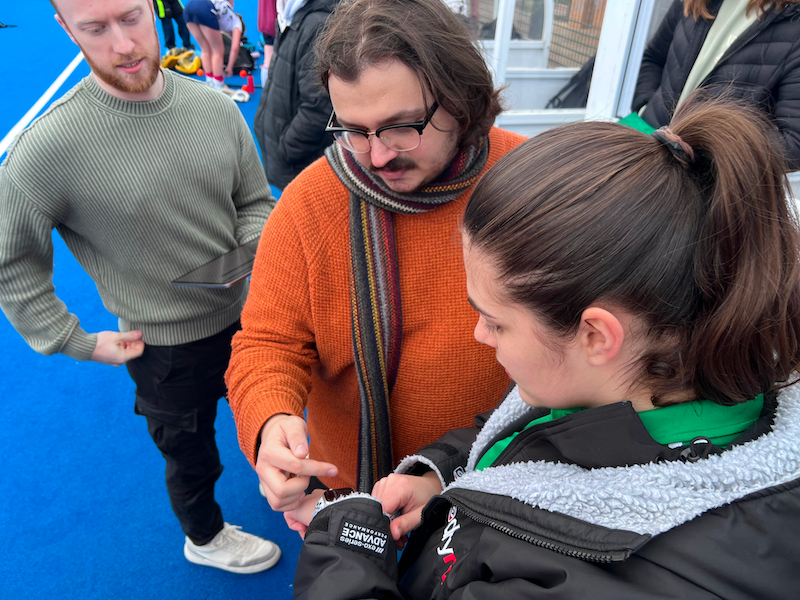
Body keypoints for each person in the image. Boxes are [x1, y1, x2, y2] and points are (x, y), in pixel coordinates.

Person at [287, 94, 800, 599]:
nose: (479, 334)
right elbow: (540, 437)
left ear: (596, 335)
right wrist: (445, 475)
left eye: (494, 320)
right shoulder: (672, 376)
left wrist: (345, 538)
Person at [0, 0, 279, 574]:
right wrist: (73, 339)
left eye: (130, 18)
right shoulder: (45, 151)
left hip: (256, 316)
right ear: (64, 30)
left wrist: (248, 252)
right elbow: (12, 262)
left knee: (275, 412)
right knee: (191, 452)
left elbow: (254, 202)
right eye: (95, 29)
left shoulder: (213, 108)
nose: (124, 45)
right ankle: (203, 538)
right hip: (165, 352)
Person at [225, 0, 525, 526]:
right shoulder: (308, 204)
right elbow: (266, 344)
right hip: (353, 504)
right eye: (354, 130)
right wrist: (271, 421)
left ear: (460, 98)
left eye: (401, 126)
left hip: (502, 483)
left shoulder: (531, 181)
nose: (377, 155)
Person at [632, 0, 800, 170]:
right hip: (646, 147)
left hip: (699, 183)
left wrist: (708, 157)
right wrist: (646, 107)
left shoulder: (794, 22)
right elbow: (654, 58)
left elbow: (794, 144)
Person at [253, 0, 340, 191]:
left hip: (298, 162)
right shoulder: (292, 16)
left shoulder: (317, 24)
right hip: (286, 156)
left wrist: (287, 149)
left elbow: (318, 109)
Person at [184, 0, 242, 89]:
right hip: (204, 7)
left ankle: (209, 82)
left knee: (205, 49)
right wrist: (229, 67)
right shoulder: (237, 24)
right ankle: (219, 84)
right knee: (218, 51)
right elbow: (235, 47)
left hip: (189, 7)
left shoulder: (226, 14)